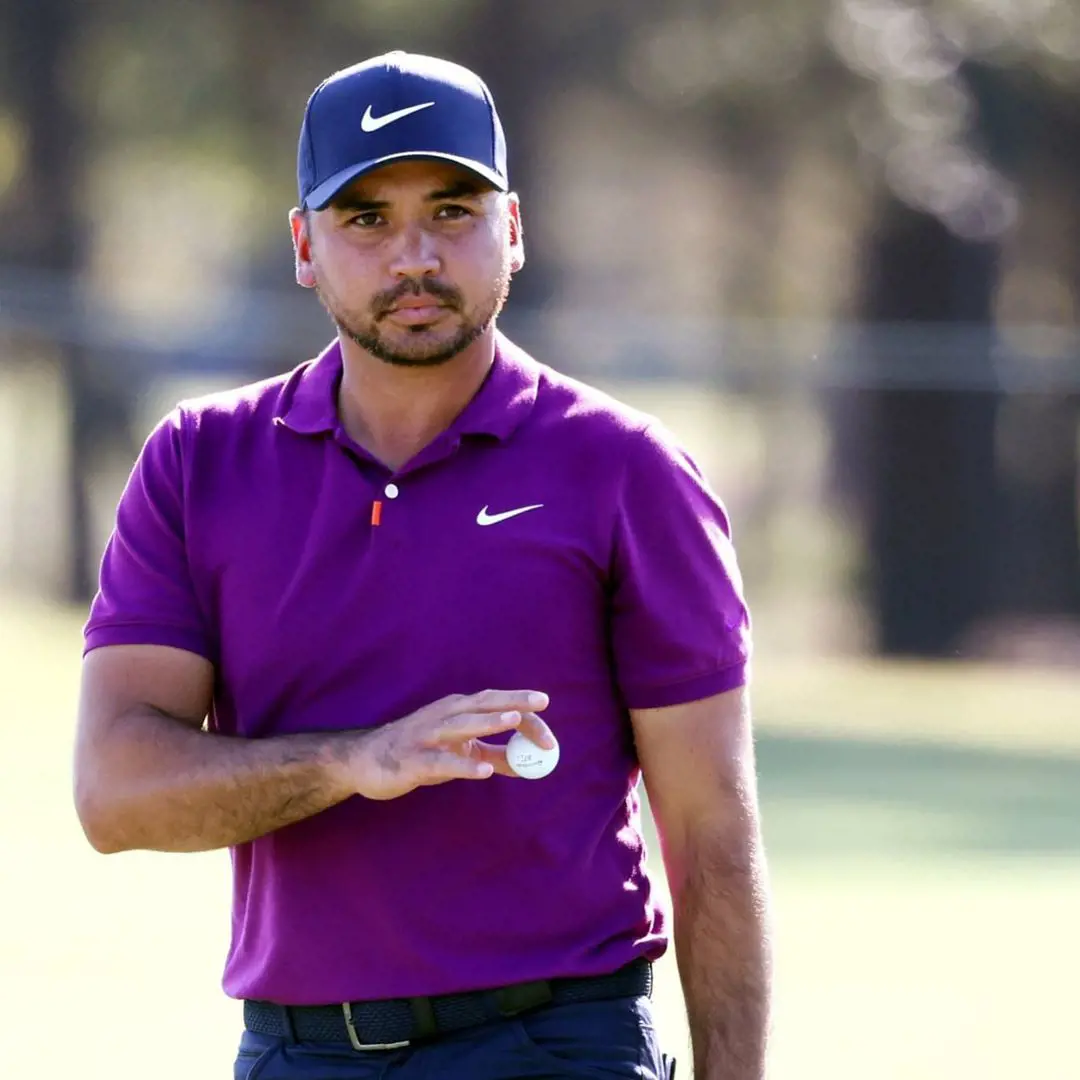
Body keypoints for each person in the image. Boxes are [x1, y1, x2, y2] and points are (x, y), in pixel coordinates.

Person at [73, 50, 772, 1080]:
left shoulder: (626, 470)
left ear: (514, 232)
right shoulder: (198, 461)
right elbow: (117, 793)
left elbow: (712, 833)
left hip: (554, 1047)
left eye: (452, 211)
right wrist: (353, 761)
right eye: (366, 219)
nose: (414, 255)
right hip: (295, 1054)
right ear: (305, 246)